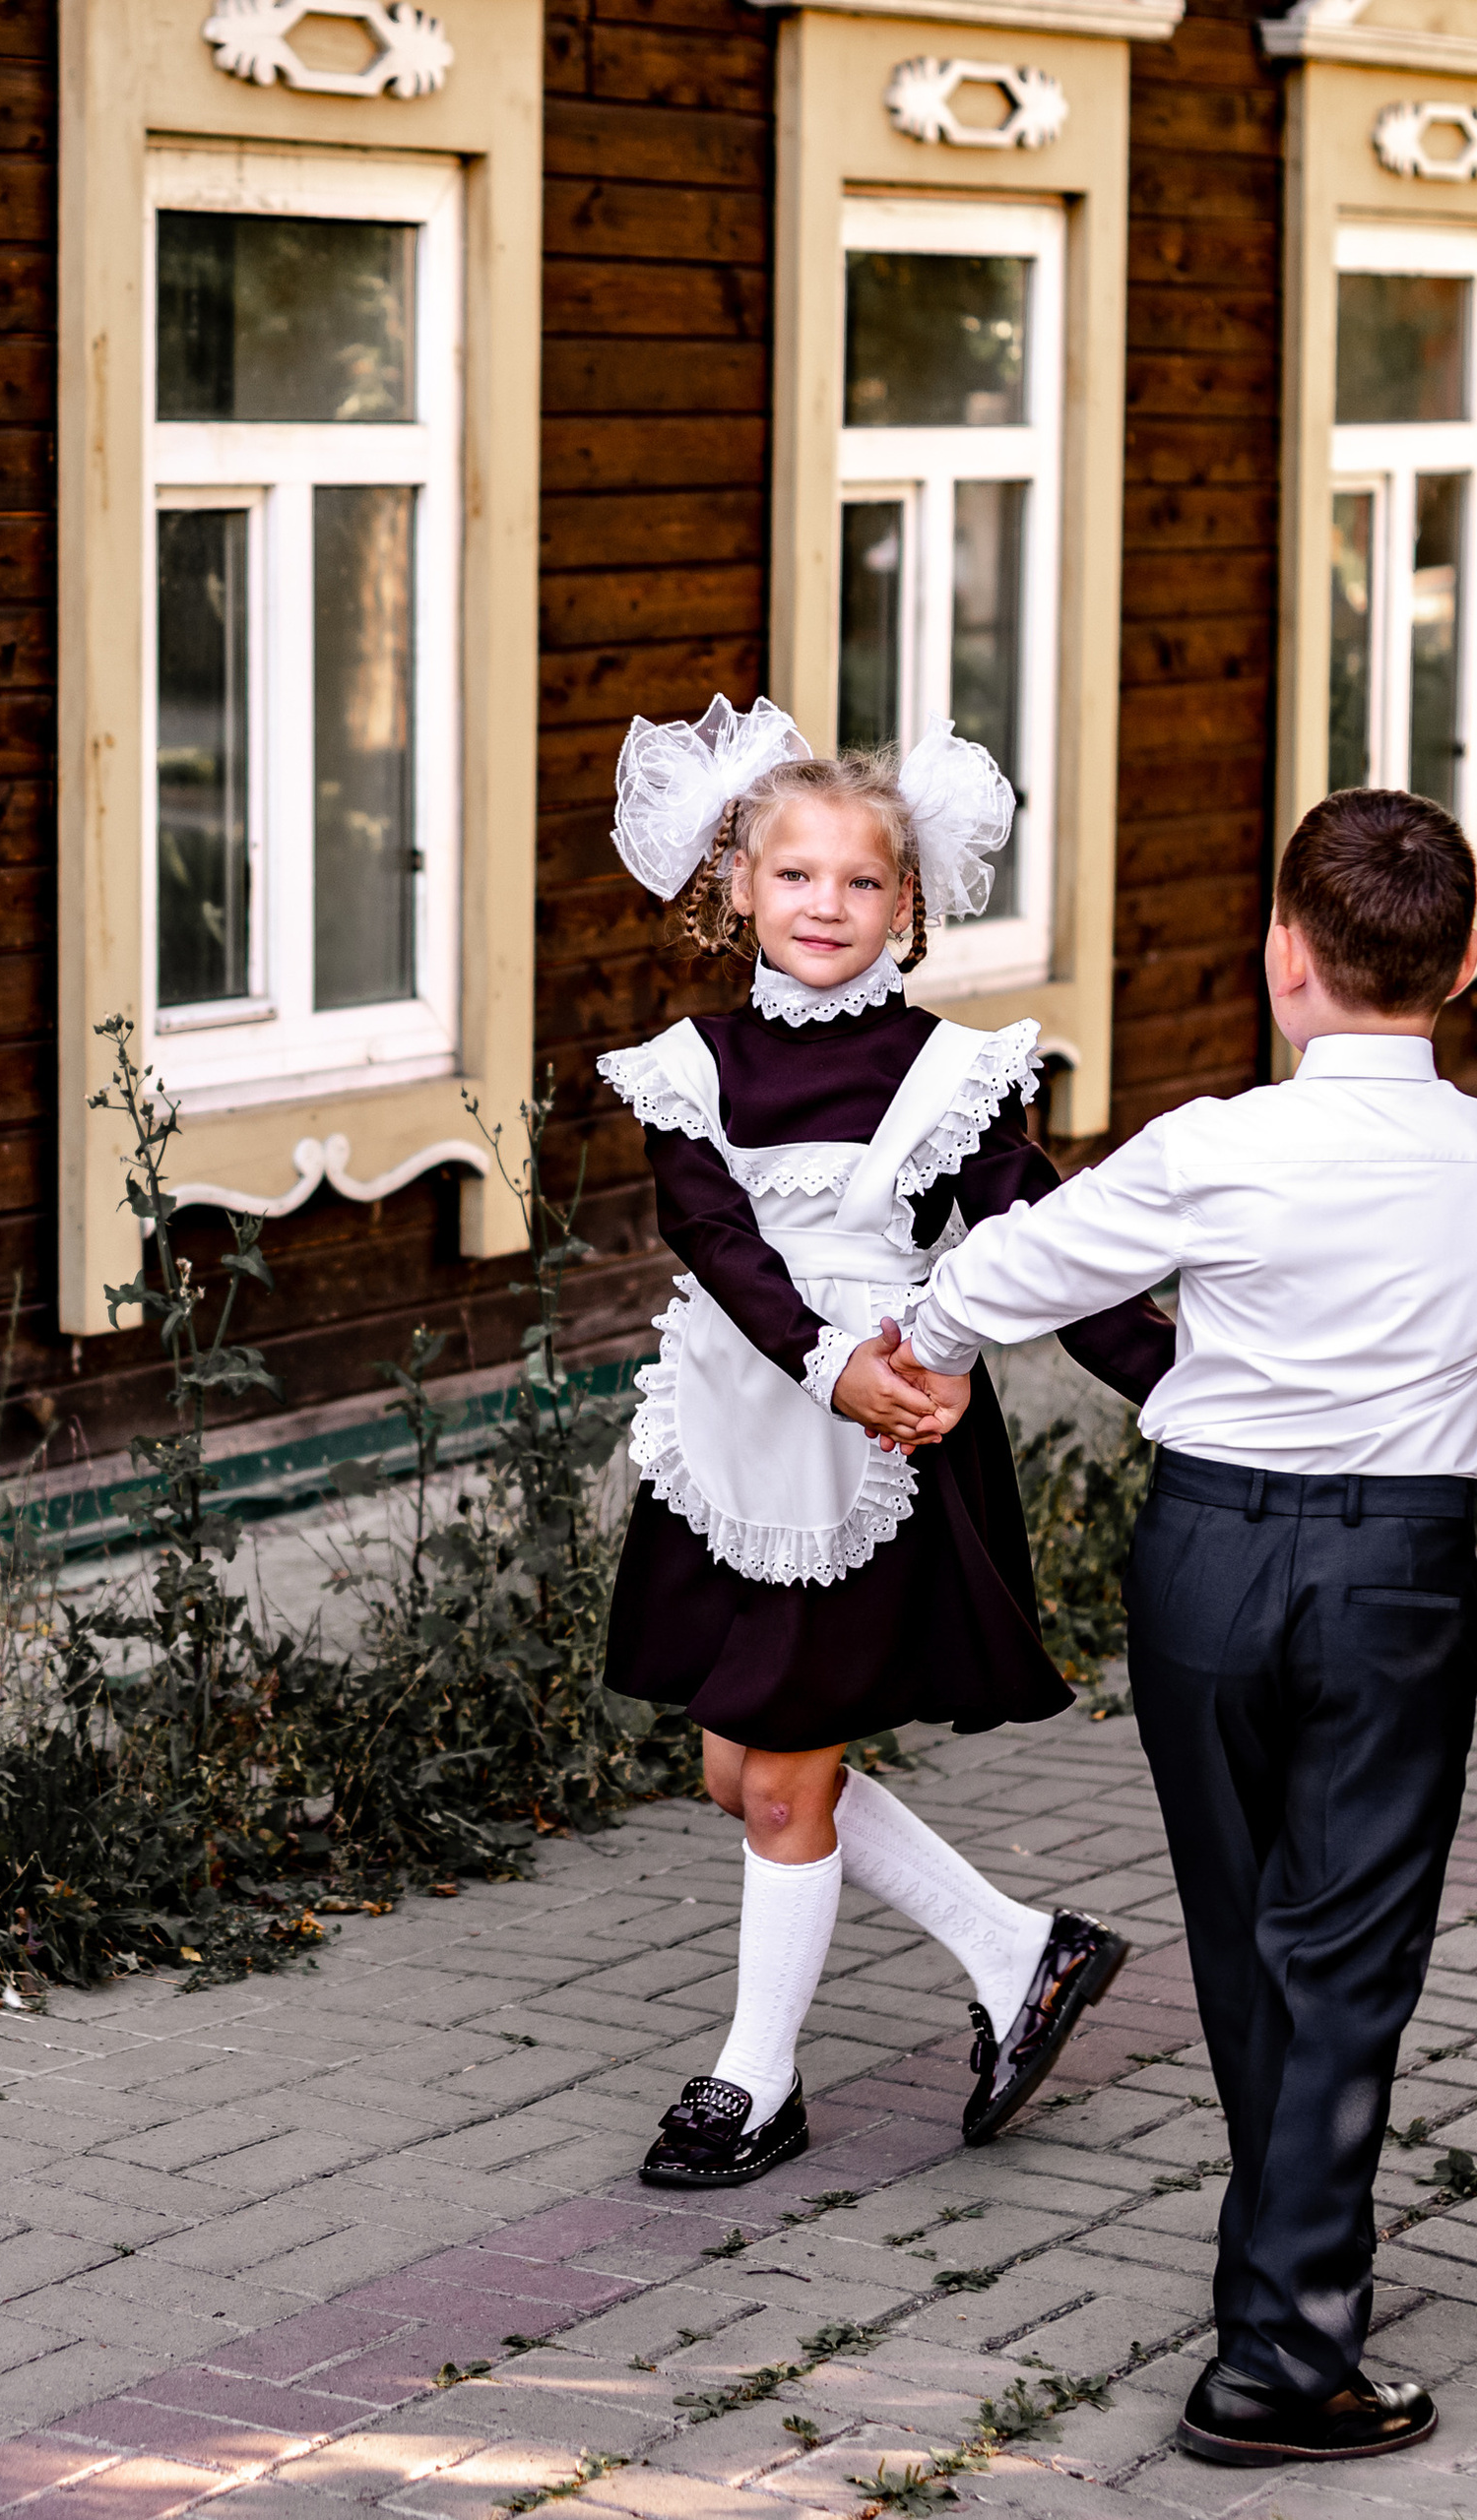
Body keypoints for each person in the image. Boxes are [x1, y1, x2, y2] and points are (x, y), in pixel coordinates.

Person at [874, 787, 1477, 2467]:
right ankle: (1280, 2358)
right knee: (1345, 1957)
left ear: (1282, 956)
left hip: (1204, 1567)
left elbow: (1005, 1275)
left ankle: (1282, 2289)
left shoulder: (1213, 1146)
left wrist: (915, 1348)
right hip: (1402, 1579)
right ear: (1471, 962)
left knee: (1248, 1940)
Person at [599, 696, 1176, 2194]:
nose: (826, 906)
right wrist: (823, 1360)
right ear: (738, 885)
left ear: (908, 902)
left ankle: (755, 2080)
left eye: (862, 882)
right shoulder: (689, 1066)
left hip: (885, 1453)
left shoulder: (954, 1073)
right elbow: (713, 1239)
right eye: (795, 876)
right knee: (743, 1772)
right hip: (743, 1432)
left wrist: (1179, 1388)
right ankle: (1021, 1951)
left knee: (787, 1787)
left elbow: (1040, 1244)